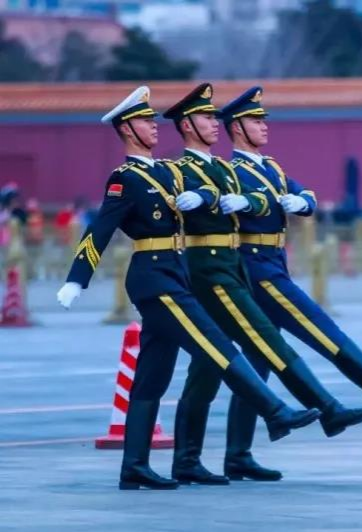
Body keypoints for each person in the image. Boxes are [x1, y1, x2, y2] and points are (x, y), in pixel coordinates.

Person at [55, 86, 321, 491]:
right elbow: (100, 231)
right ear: (127, 130)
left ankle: (135, 466)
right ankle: (275, 411)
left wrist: (209, 195)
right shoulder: (123, 180)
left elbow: (210, 183)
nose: (154, 127)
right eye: (145, 122)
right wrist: (77, 279)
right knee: (218, 347)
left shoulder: (167, 171)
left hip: (177, 274)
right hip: (154, 278)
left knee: (152, 375)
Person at [215, 86, 362, 474]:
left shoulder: (271, 168)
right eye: (255, 121)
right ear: (236, 128)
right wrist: (259, 204)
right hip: (256, 271)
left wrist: (302, 203)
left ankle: (237, 456)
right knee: (323, 330)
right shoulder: (231, 172)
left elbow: (307, 196)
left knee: (259, 361)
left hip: (274, 262)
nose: (264, 126)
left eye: (264, 120)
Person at [164, 83, 362, 484]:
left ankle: (228, 455)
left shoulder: (230, 169)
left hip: (234, 271)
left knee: (228, 363)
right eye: (209, 118)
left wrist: (276, 201)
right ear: (188, 125)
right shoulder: (179, 170)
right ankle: (314, 411)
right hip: (208, 271)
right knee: (217, 364)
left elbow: (264, 196)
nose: (215, 123)